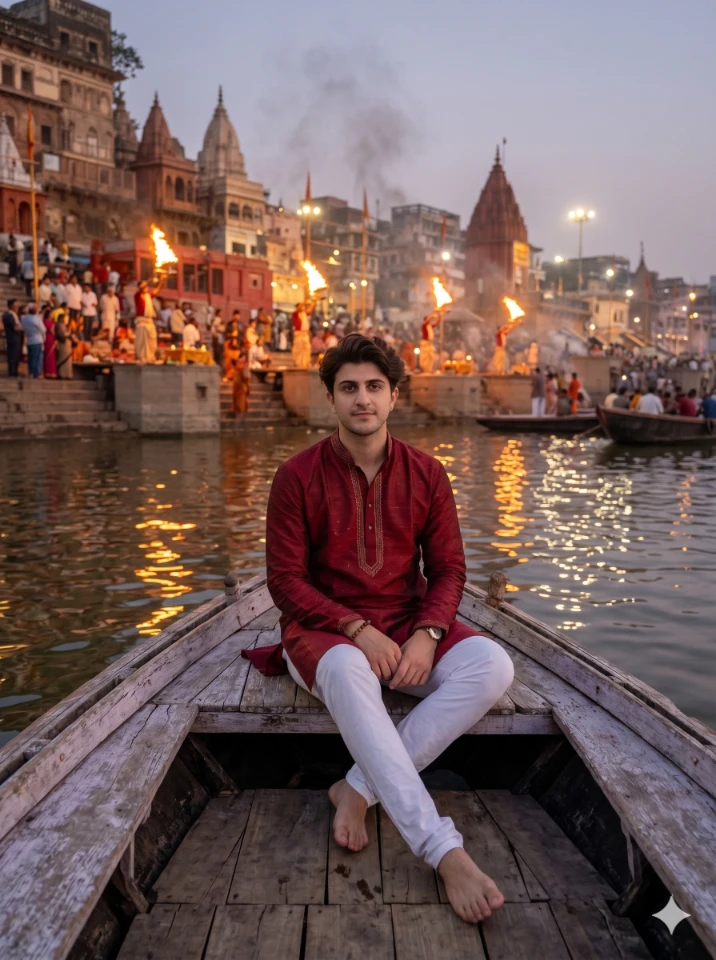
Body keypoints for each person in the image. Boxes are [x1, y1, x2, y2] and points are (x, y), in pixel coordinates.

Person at [244, 334, 513, 926]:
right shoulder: (296, 477)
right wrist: (355, 627)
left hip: (406, 625)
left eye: (373, 387)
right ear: (332, 399)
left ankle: (358, 787)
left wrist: (429, 634)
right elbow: (285, 582)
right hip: (324, 631)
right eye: (349, 388)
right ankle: (442, 850)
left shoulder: (427, 474)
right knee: (346, 667)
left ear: (394, 396)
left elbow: (448, 571)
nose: (361, 399)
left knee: (494, 666)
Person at [134, 277, 164, 364]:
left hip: (150, 321)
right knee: (142, 342)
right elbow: (141, 288)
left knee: (152, 341)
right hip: (142, 321)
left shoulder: (148, 296)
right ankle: (142, 357)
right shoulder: (137, 296)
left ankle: (151, 357)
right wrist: (150, 280)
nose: (146, 288)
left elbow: (157, 290)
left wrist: (162, 280)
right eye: (144, 286)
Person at [21, 303, 45, 378]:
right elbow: (43, 329)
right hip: (37, 339)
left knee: (31, 357)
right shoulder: (36, 318)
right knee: (37, 357)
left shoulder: (24, 318)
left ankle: (31, 372)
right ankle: (36, 373)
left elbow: (22, 327)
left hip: (29, 339)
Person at [2, 298, 22, 377]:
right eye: (15, 304)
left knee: (16, 356)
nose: (17, 306)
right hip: (12, 338)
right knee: (12, 356)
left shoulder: (15, 314)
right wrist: (24, 328)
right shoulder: (8, 315)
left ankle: (15, 372)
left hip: (16, 338)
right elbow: (14, 327)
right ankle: (12, 373)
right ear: (11, 306)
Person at [54, 306, 73, 380]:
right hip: (63, 344)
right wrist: (69, 331)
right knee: (63, 360)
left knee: (67, 361)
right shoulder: (59, 325)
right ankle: (62, 374)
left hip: (66, 345)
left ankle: (67, 375)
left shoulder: (62, 325)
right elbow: (64, 334)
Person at [42, 306, 57, 378]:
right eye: (51, 314)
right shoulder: (48, 321)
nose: (52, 315)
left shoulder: (47, 321)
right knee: (50, 355)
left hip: (49, 338)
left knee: (50, 356)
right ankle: (49, 372)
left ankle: (49, 372)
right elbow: (52, 331)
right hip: (49, 338)